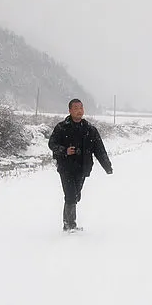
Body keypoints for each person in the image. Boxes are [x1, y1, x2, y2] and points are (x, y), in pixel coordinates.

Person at [48, 98, 113, 231]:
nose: (79, 111)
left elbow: (99, 149)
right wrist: (64, 150)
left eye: (81, 108)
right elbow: (52, 144)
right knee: (70, 195)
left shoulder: (90, 129)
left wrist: (107, 166)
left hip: (83, 168)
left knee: (76, 195)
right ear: (70, 110)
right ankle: (69, 225)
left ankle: (69, 223)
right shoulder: (61, 127)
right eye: (76, 108)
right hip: (66, 167)